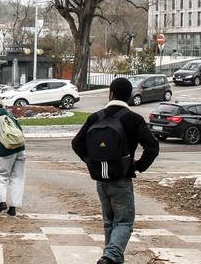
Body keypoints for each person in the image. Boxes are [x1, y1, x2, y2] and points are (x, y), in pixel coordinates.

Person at [70, 77, 159, 264]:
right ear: (129, 96)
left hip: (101, 179)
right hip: (122, 179)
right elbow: (152, 147)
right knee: (124, 222)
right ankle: (110, 256)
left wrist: (92, 162)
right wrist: (138, 166)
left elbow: (77, 143)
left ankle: (111, 259)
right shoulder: (134, 119)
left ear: (111, 93)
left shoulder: (96, 117)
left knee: (109, 222)